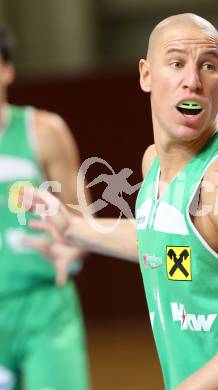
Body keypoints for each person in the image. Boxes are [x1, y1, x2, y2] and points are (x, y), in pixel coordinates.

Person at [23, 14, 218, 389]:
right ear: (146, 75)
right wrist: (73, 229)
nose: (193, 80)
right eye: (176, 63)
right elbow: (165, 241)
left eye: (208, 66)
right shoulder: (155, 164)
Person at [0, 26, 90, 390]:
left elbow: (82, 219)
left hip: (45, 308)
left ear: (6, 69)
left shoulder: (44, 131)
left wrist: (73, 249)